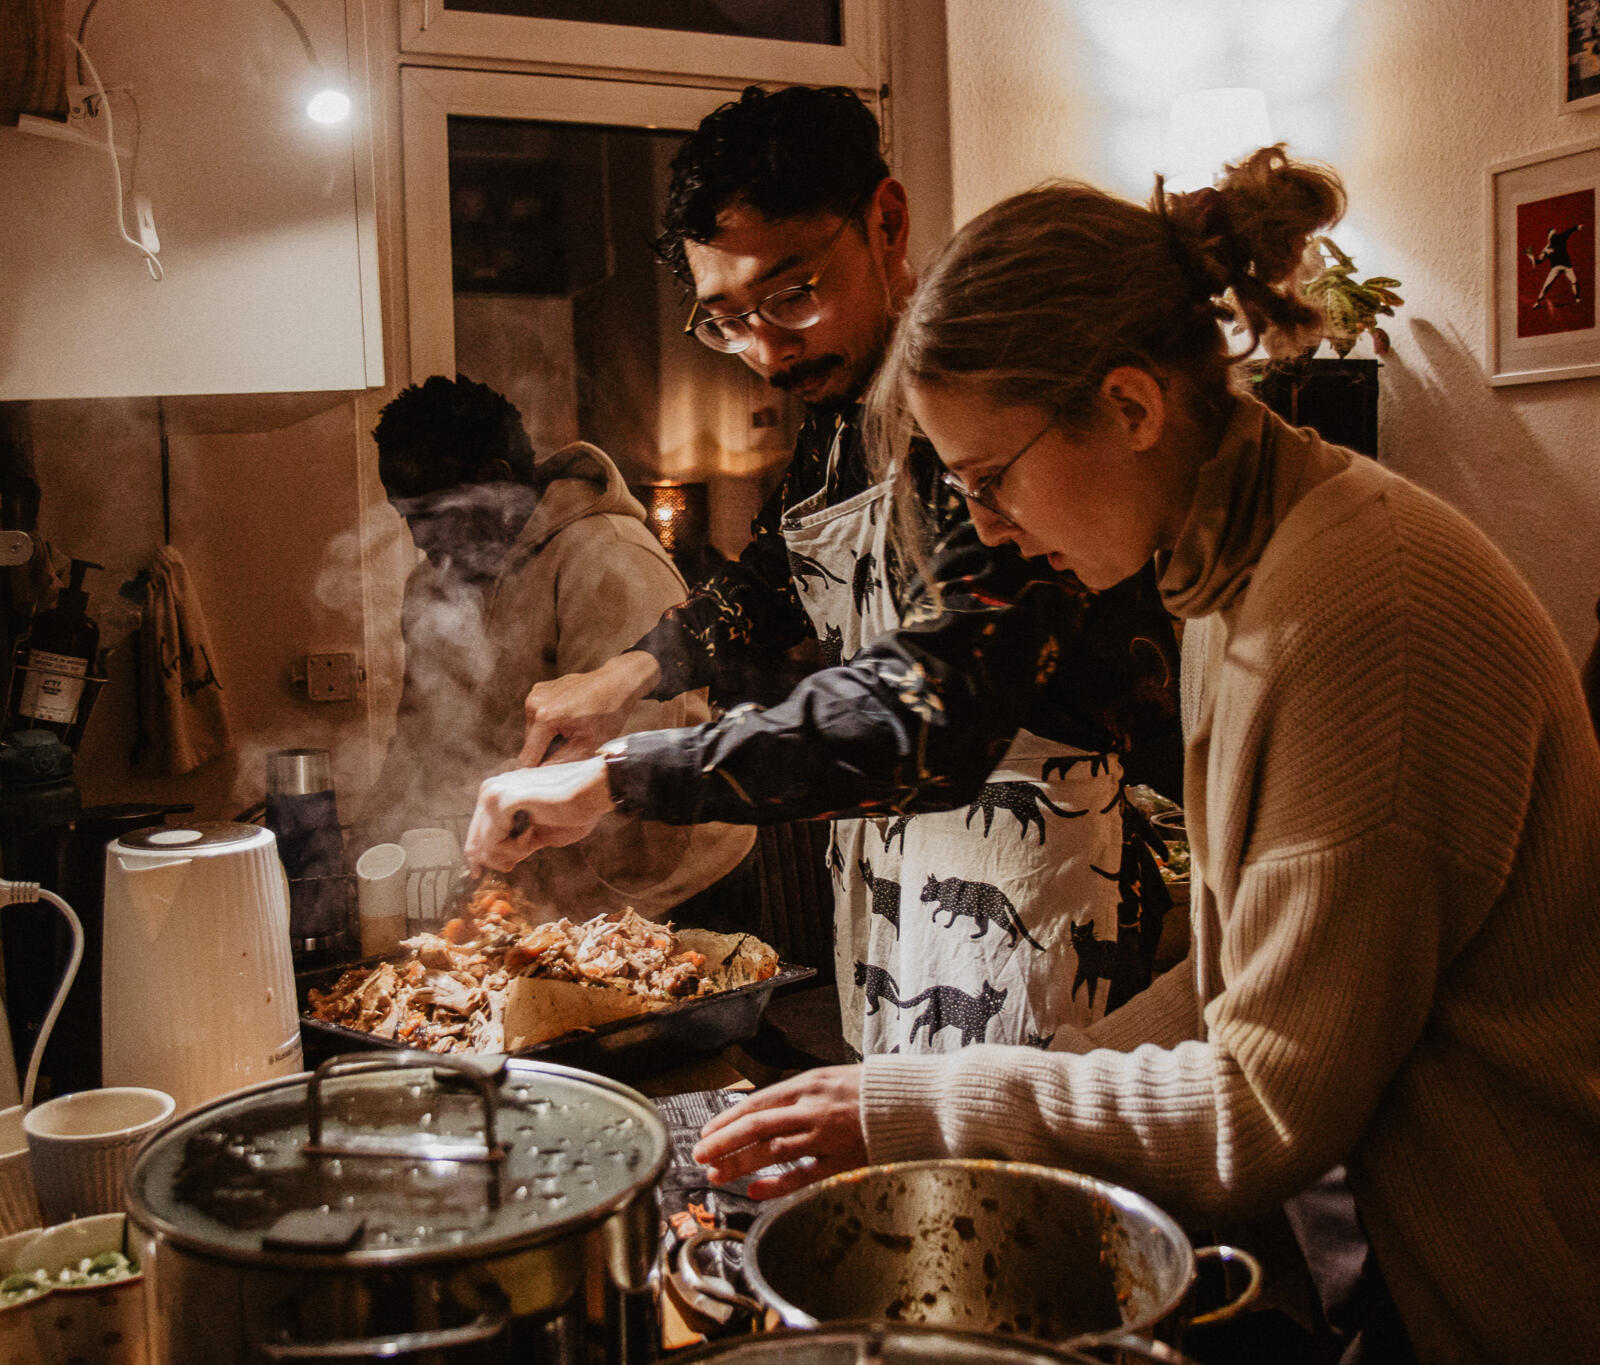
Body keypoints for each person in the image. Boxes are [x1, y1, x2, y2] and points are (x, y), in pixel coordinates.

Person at [684, 149, 1600, 1364]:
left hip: (1507, 1291)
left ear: (1129, 406)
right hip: (1396, 1251)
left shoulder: (1358, 608)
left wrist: (924, 1109)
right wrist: (1001, 1082)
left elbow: (1257, 1110)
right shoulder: (1237, 568)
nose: (991, 532)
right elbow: (1233, 989)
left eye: (991, 482)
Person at [469, 86, 1184, 1056]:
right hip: (892, 868)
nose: (765, 351)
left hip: (1039, 876)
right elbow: (776, 571)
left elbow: (933, 705)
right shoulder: (839, 416)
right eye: (725, 320)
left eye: (793, 295)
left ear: (886, 223)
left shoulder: (993, 409)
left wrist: (622, 774)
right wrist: (629, 674)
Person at [360, 373, 752, 917]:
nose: (419, 539)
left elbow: (640, 743)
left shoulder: (609, 559)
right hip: (549, 881)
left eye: (430, 514)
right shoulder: (432, 585)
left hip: (667, 886)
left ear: (495, 483)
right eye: (407, 517)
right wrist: (367, 841)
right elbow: (418, 735)